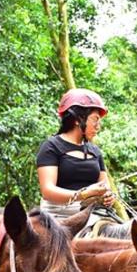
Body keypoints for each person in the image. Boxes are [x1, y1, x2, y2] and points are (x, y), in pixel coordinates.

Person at [36, 88, 115, 218]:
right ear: (77, 119)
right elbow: (47, 191)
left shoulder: (95, 151)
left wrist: (108, 196)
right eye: (95, 119)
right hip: (58, 217)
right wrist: (83, 194)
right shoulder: (51, 146)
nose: (98, 126)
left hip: (93, 214)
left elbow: (105, 186)